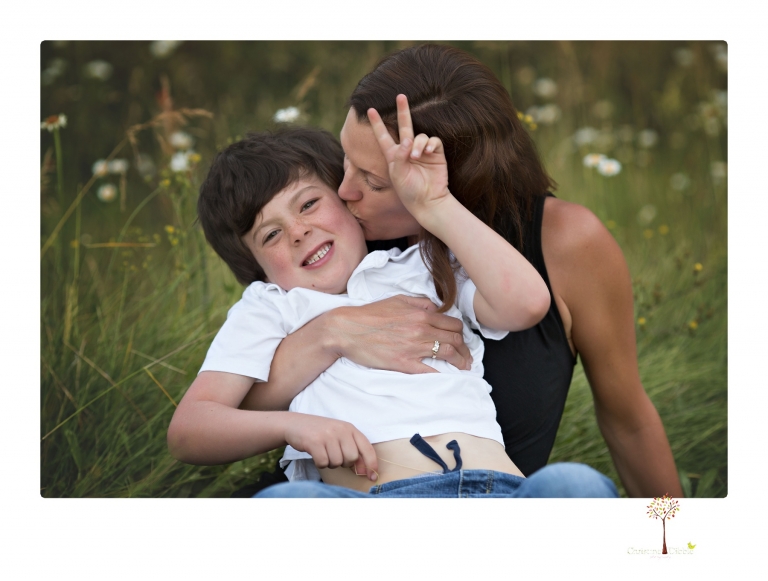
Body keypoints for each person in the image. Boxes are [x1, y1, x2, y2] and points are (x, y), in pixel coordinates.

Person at [240, 43, 681, 498]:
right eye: (344, 161)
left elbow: (628, 420)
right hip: (352, 501)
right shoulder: (334, 243)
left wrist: (679, 546)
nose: (343, 191)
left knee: (577, 485)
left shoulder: (564, 242)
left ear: (452, 179)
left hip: (497, 499)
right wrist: (332, 333)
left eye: (373, 182)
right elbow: (237, 399)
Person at [167, 101, 618, 498]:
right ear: (256, 268)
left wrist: (436, 204)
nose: (298, 232)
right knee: (283, 506)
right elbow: (190, 430)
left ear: (348, 200)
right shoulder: (271, 306)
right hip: (371, 501)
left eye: (308, 205)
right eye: (270, 234)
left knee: (578, 485)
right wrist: (293, 427)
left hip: (496, 491)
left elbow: (525, 304)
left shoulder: (425, 265)